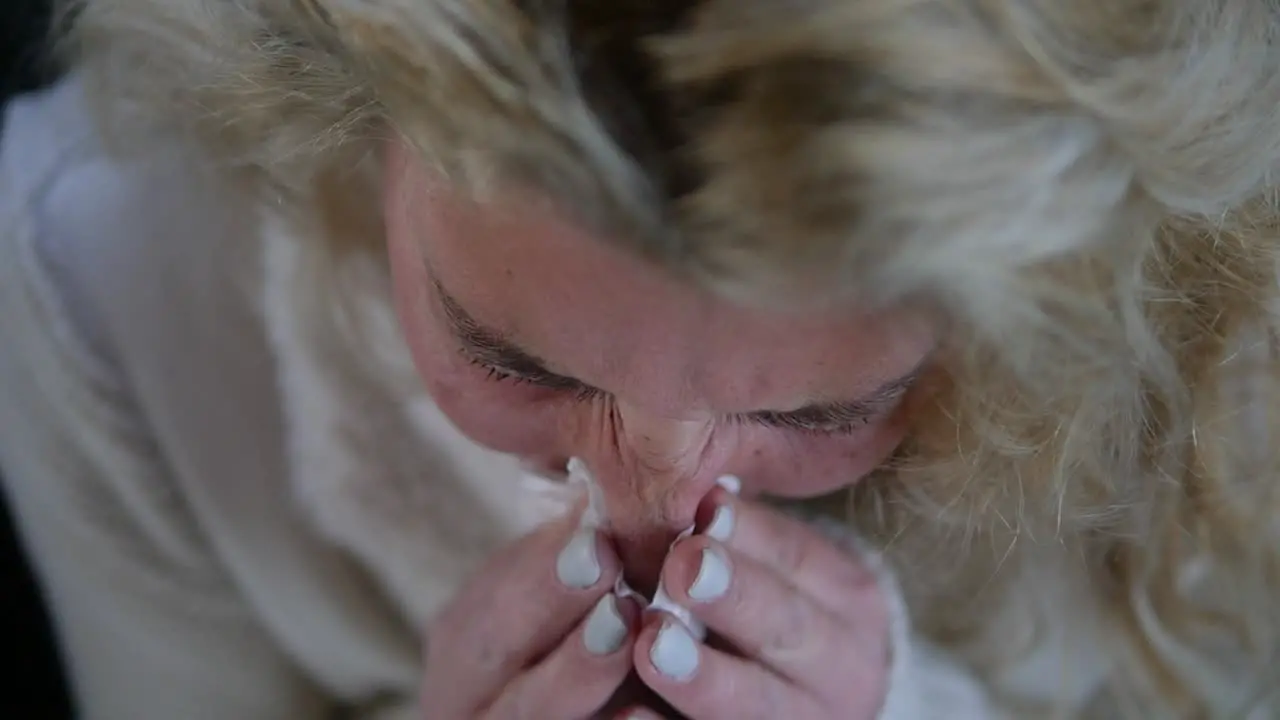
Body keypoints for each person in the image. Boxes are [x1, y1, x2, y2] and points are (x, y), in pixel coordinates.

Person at [2, 0, 1279, 717]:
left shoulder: (1226, 302)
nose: (651, 510)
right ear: (344, 104)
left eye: (826, 406)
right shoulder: (92, 281)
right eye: (516, 360)